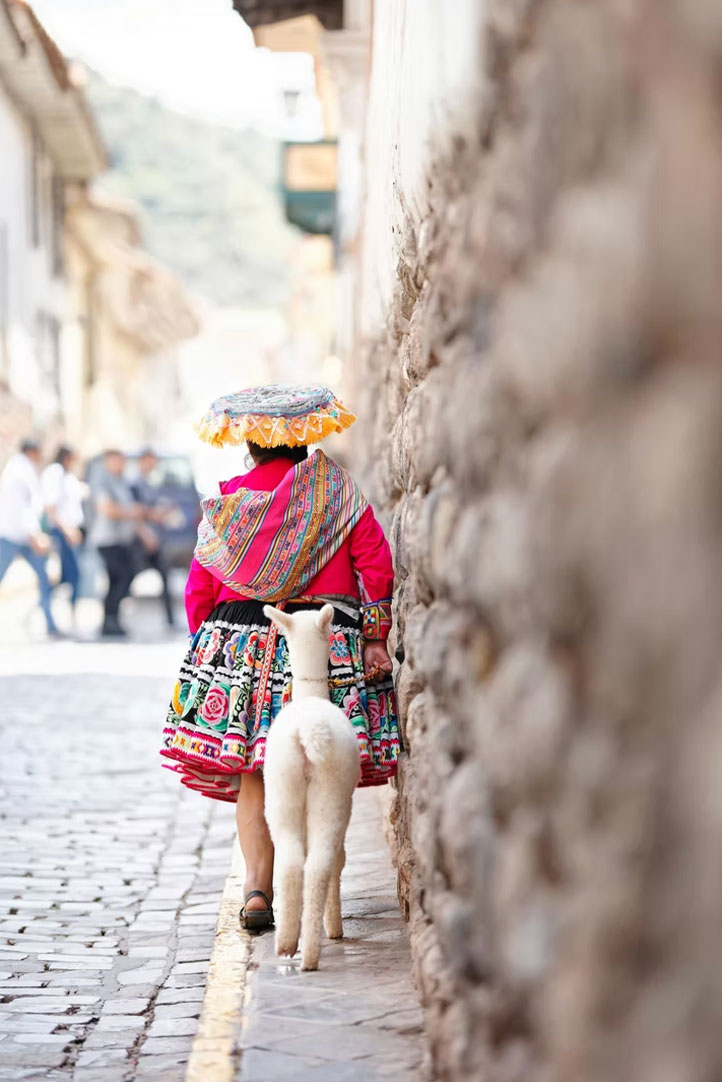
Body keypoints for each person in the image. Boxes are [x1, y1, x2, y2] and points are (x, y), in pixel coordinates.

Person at [160, 385, 401, 930]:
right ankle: (317, 896)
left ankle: (257, 892)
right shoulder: (335, 492)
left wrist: (211, 646)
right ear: (304, 439)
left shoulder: (229, 505)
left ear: (250, 443)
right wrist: (374, 636)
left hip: (243, 644)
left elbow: (200, 588)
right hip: (322, 641)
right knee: (321, 769)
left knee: (255, 773)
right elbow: (376, 561)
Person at [0, 438, 60, 637]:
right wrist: (34, 534)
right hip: (14, 535)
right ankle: (50, 623)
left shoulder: (19, 468)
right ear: (33, 451)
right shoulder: (20, 471)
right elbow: (22, 507)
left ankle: (50, 623)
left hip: (22, 536)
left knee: (43, 578)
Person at [88, 449, 142, 638]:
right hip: (106, 539)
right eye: (117, 461)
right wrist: (131, 512)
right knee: (123, 576)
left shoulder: (121, 481)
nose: (121, 465)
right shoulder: (102, 481)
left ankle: (112, 620)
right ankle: (109, 619)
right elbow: (108, 509)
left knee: (117, 579)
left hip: (120, 539)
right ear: (108, 461)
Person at [129, 449, 176, 628]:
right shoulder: (134, 484)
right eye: (150, 461)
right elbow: (136, 513)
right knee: (129, 576)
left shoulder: (149, 483)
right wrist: (145, 534)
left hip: (154, 538)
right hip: (140, 539)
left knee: (165, 575)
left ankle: (170, 619)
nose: (153, 465)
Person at [42, 446, 85, 617]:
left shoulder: (67, 475)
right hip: (62, 530)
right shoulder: (55, 473)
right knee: (72, 574)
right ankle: (45, 602)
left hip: (72, 529)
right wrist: (67, 530)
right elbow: (51, 507)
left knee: (71, 575)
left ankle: (68, 610)